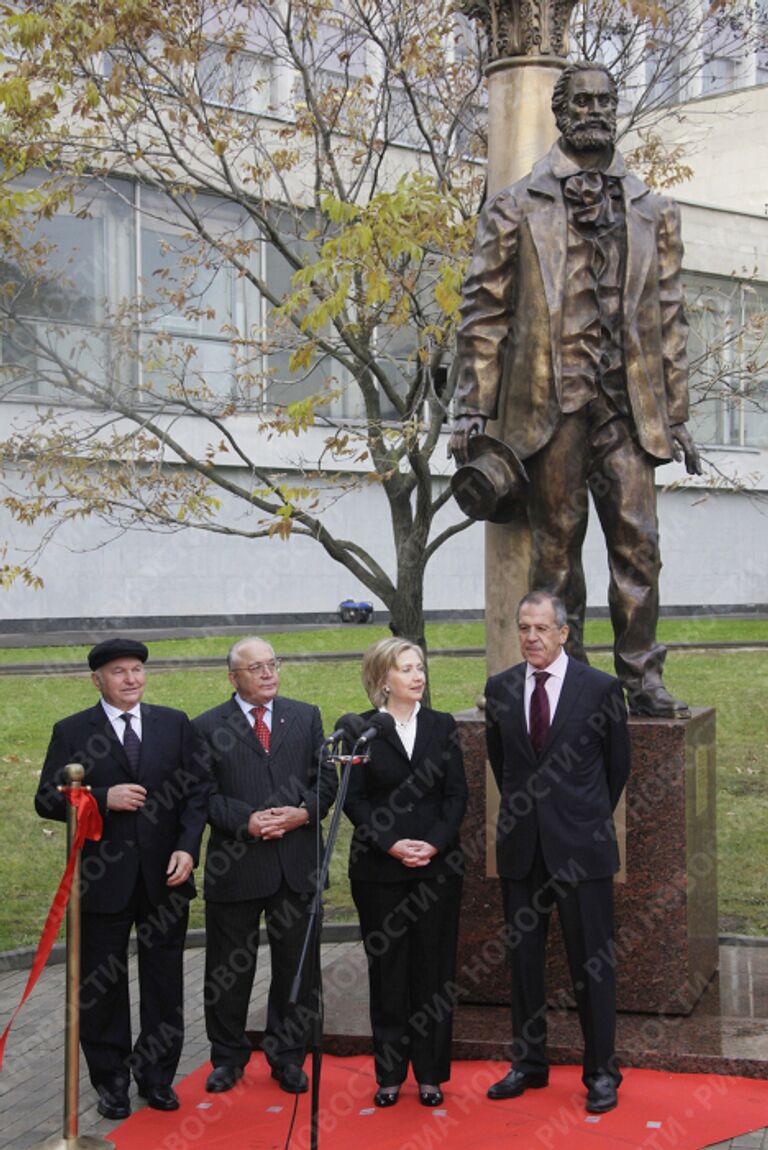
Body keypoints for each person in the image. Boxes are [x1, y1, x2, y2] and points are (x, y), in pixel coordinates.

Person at [449, 61, 702, 719]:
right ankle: (572, 684)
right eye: (580, 101)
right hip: (549, 406)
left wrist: (676, 413)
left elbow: (669, 317)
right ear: (560, 113)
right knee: (556, 553)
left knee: (638, 546)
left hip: (630, 406)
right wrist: (473, 406)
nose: (593, 110)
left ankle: (642, 677)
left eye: (604, 100)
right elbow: (483, 314)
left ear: (615, 109)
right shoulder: (514, 204)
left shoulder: (656, 211)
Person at [35, 638, 211, 1120]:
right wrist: (100, 795)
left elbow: (198, 792)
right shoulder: (73, 730)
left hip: (165, 877)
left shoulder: (172, 723)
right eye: (119, 672)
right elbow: (47, 799)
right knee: (103, 983)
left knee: (163, 981)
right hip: (102, 881)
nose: (132, 679)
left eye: (137, 670)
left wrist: (187, 848)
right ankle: (110, 1080)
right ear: (97, 680)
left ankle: (157, 1077)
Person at [484, 590, 630, 1113]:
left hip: (582, 851)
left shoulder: (601, 689)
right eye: (524, 627)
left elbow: (617, 767)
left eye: (541, 628)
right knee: (523, 963)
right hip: (523, 849)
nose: (530, 637)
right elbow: (504, 765)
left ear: (564, 632)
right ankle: (528, 1063)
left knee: (592, 965)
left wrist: (579, 818)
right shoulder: (499, 689)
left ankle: (601, 1072)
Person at [194, 637, 338, 1095]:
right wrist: (246, 822)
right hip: (237, 864)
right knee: (228, 970)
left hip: (296, 863)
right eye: (255, 668)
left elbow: (327, 781)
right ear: (233, 677)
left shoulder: (307, 716)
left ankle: (288, 1056)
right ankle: (227, 1058)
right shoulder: (205, 726)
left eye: (272, 664)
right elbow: (201, 796)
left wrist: (305, 812)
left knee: (297, 967)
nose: (267, 673)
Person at [343, 638, 468, 1108]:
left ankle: (431, 1074)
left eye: (420, 667)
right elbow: (354, 799)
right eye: (406, 669)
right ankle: (390, 1073)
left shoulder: (442, 726)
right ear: (383, 680)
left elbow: (456, 795)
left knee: (432, 972)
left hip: (437, 869)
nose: (418, 676)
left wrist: (433, 844)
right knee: (389, 971)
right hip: (380, 871)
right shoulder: (362, 732)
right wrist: (392, 844)